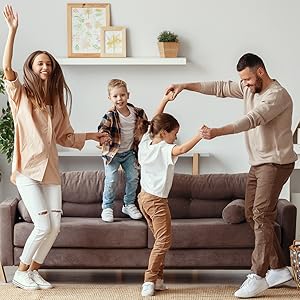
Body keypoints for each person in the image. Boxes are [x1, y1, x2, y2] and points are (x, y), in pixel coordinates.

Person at [166, 53, 297, 298]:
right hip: (258, 163)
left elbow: (251, 120)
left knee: (261, 213)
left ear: (260, 72)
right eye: (242, 80)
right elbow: (219, 87)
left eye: (247, 79)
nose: (244, 84)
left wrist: (217, 132)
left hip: (277, 163)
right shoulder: (249, 88)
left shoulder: (277, 96)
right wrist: (185, 86)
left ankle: (258, 275)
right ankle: (279, 268)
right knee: (251, 212)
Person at [2, 5, 109, 290]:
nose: (45, 67)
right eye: (40, 63)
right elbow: (6, 70)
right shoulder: (20, 95)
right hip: (27, 170)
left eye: (48, 63)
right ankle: (21, 272)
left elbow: (65, 136)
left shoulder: (56, 103)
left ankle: (34, 270)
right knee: (43, 226)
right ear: (32, 68)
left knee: (55, 227)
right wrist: (12, 31)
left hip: (50, 171)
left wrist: (91, 136)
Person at [138, 92, 203, 297]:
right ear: (165, 133)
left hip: (143, 199)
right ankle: (149, 280)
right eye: (174, 133)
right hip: (156, 201)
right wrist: (200, 135)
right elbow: (182, 149)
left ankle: (157, 279)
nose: (175, 137)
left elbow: (154, 121)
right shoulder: (165, 149)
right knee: (164, 241)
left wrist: (164, 100)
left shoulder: (146, 143)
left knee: (159, 240)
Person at [97, 79, 148, 222]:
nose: (119, 99)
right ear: (110, 98)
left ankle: (129, 204)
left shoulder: (138, 113)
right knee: (111, 179)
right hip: (112, 154)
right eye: (115, 96)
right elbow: (102, 130)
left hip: (129, 153)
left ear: (128, 95)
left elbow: (146, 129)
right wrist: (105, 138)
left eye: (122, 95)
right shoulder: (110, 115)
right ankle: (107, 207)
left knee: (133, 177)